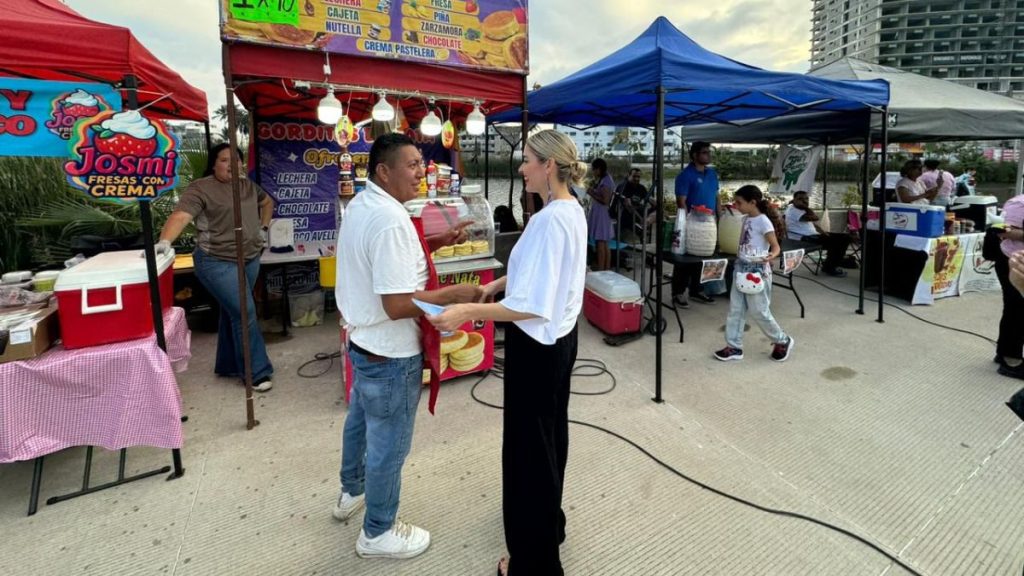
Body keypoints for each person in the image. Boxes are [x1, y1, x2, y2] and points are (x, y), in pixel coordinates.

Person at [427, 129, 588, 576]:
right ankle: (548, 527)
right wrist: (497, 284)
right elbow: (547, 277)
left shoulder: (553, 219)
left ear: (548, 166)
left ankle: (533, 562)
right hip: (560, 340)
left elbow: (531, 304)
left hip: (537, 345)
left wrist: (462, 311)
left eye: (528, 160)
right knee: (549, 437)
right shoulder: (568, 210)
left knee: (528, 453)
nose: (521, 168)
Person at [332, 133, 481, 560]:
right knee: (388, 444)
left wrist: (439, 241)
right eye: (413, 165)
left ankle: (350, 492)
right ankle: (377, 533)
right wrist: (454, 296)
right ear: (384, 170)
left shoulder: (364, 204)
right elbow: (397, 303)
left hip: (363, 342)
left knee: (360, 423)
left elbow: (390, 262)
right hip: (392, 353)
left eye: (422, 164)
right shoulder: (390, 219)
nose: (422, 172)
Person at [158, 143, 275, 392]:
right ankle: (256, 372)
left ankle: (228, 364)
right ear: (213, 164)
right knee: (244, 311)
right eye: (224, 160)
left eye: (237, 160)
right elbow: (181, 216)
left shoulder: (247, 186)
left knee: (233, 311)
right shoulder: (201, 188)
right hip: (216, 260)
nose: (232, 165)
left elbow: (268, 203)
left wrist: (263, 229)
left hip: (250, 257)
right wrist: (165, 241)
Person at [714, 185, 794, 363]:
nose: (737, 205)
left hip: (757, 270)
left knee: (759, 310)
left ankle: (782, 340)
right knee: (736, 309)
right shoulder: (745, 219)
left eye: (739, 202)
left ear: (753, 202)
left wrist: (770, 256)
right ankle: (734, 346)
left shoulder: (763, 221)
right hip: (741, 268)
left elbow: (775, 246)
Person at [672, 141, 718, 306]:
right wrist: (687, 225)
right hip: (691, 222)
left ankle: (697, 290)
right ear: (695, 155)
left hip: (709, 223)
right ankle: (678, 292)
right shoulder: (685, 175)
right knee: (685, 260)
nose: (708, 155)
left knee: (703, 258)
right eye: (705, 152)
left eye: (708, 152)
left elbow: (716, 196)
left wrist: (718, 217)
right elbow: (681, 202)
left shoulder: (712, 174)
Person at [785, 190, 850, 277]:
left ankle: (829, 263)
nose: (805, 201)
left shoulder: (800, 209)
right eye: (800, 199)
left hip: (813, 235)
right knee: (840, 241)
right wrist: (806, 207)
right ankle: (829, 267)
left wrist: (824, 233)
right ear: (794, 200)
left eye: (806, 199)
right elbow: (815, 218)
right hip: (802, 238)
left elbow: (814, 224)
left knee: (844, 237)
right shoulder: (793, 211)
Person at [994, 196, 1024, 380]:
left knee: (1016, 310)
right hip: (1013, 261)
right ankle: (1010, 359)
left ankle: (1005, 351)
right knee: (1017, 310)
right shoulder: (1019, 204)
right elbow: (1002, 230)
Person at [586, 158, 615, 271]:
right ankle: (605, 268)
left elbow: (605, 200)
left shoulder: (606, 181)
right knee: (603, 243)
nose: (593, 172)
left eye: (593, 169)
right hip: (600, 214)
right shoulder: (603, 179)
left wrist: (591, 193)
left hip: (603, 215)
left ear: (598, 169)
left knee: (601, 243)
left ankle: (603, 269)